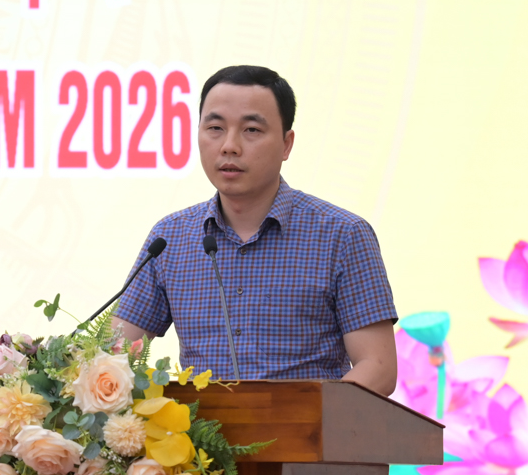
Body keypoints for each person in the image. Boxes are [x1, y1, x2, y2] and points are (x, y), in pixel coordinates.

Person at [113, 65, 398, 395]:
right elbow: (113, 354)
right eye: (215, 128)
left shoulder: (342, 235)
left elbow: (377, 367)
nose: (229, 146)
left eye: (251, 130)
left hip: (307, 427)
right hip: (203, 429)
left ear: (286, 144)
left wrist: (312, 416)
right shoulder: (171, 238)